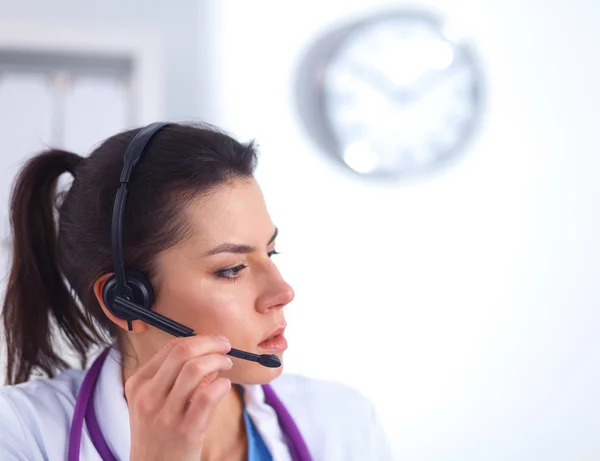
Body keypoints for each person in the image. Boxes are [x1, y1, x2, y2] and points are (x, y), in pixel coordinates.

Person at [0, 122, 393, 461]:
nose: (283, 291)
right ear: (126, 300)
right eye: (231, 269)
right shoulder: (19, 435)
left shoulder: (343, 422)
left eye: (271, 252)